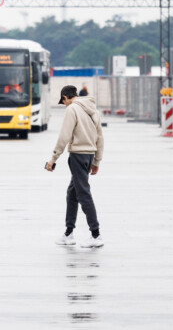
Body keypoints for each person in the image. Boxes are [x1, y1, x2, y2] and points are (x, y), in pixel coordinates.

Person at [45, 85, 104, 248]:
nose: (64, 105)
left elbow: (64, 136)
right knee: (72, 193)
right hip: (89, 155)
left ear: (65, 97)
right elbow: (100, 138)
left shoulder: (72, 109)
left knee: (83, 193)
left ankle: (96, 234)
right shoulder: (93, 110)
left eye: (63, 101)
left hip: (77, 155)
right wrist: (96, 161)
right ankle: (68, 233)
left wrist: (53, 159)